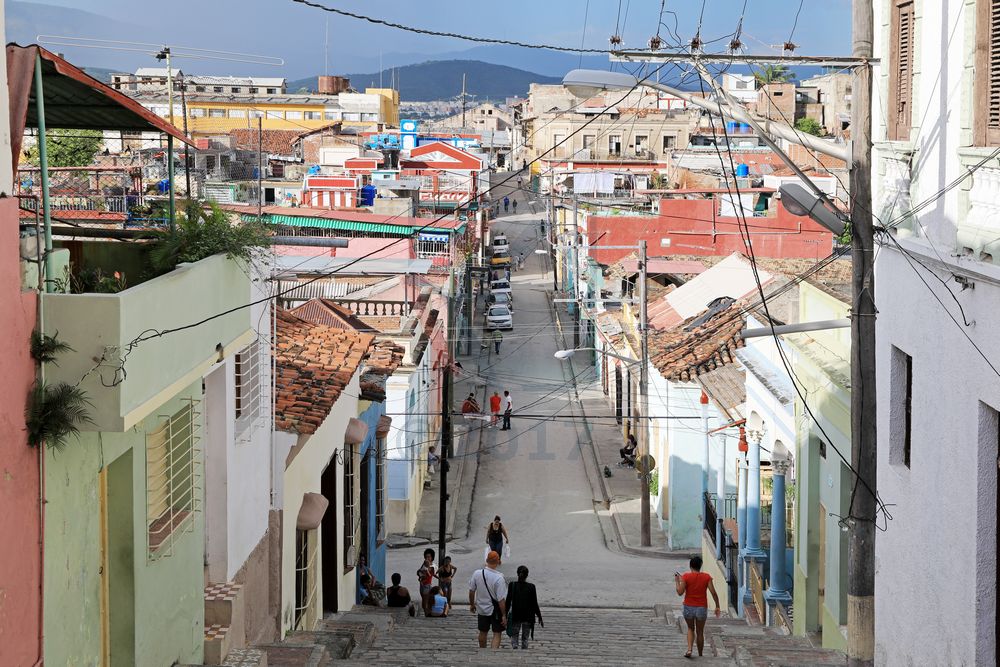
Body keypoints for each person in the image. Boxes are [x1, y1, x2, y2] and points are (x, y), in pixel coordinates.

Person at [674, 555, 721, 659]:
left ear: (691, 566)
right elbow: (713, 593)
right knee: (700, 631)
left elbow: (680, 592)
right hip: (701, 608)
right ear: (700, 566)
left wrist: (677, 581)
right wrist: (717, 606)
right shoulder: (706, 577)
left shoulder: (686, 577)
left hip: (688, 607)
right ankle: (700, 654)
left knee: (690, 629)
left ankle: (689, 649)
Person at [469, 551, 508, 649]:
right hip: (495, 610)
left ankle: (482, 651)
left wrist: (472, 604)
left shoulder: (477, 573)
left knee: (483, 632)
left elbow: (471, 591)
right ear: (498, 561)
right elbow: (501, 600)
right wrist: (504, 615)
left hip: (482, 608)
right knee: (497, 633)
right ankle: (493, 654)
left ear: (486, 560)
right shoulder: (499, 578)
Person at [505, 565, 543, 649]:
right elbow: (534, 604)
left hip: (516, 615)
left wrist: (504, 614)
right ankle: (524, 651)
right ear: (527, 575)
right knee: (525, 638)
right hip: (528, 616)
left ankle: (515, 650)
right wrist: (539, 616)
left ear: (517, 574)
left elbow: (508, 602)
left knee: (514, 636)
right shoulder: (531, 587)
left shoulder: (512, 585)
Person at [417, 548, 437, 617]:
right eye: (426, 557)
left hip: (427, 585)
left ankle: (427, 615)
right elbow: (419, 571)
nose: (427, 558)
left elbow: (427, 572)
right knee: (424, 601)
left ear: (432, 557)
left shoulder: (433, 566)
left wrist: (421, 572)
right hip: (422, 584)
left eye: (429, 557)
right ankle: (428, 613)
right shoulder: (425, 563)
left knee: (425, 602)